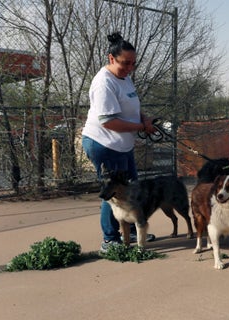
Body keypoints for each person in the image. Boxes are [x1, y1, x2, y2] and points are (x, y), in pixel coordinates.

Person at [82, 32, 158, 253]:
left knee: (131, 189)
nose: (129, 68)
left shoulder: (124, 77)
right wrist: (142, 127)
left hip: (122, 145)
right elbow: (109, 121)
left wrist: (143, 118)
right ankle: (110, 239)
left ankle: (131, 228)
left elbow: (132, 105)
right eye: (125, 63)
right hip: (104, 144)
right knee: (113, 192)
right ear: (111, 58)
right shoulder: (103, 83)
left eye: (133, 64)